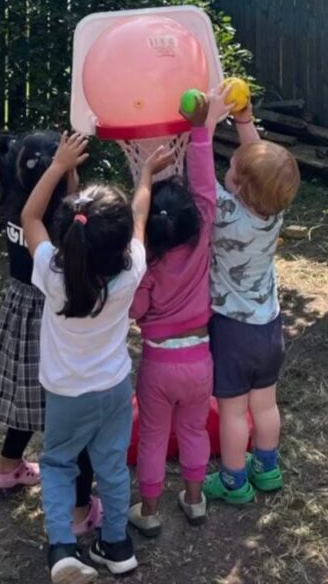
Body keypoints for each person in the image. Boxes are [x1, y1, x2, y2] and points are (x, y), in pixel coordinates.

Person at [21, 131, 172, 583]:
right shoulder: (132, 269)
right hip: (113, 389)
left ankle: (63, 549)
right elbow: (140, 212)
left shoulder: (52, 271)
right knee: (110, 464)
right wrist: (145, 173)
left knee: (58, 464)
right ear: (123, 240)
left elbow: (30, 215)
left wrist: (58, 165)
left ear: (68, 237)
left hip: (67, 394)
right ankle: (118, 546)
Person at [0, 131, 100, 538]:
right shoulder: (59, 225)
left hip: (19, 311)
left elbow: (54, 199)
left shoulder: (17, 207)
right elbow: (74, 207)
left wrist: (59, 169)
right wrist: (65, 169)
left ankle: (6, 467)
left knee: (25, 399)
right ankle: (79, 508)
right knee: (66, 415)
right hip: (49, 319)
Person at [127, 87, 231, 537]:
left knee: (152, 435)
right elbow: (206, 188)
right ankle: (194, 500)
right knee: (193, 431)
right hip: (199, 360)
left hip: (158, 361)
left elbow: (135, 309)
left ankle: (148, 511)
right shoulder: (203, 233)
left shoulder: (146, 264)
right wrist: (200, 132)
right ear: (194, 218)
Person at [203, 98, 301, 505]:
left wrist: (204, 127)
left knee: (232, 412)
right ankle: (267, 466)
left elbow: (199, 176)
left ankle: (233, 479)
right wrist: (244, 119)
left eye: (234, 170)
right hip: (270, 328)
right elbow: (259, 165)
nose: (228, 169)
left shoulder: (225, 214)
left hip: (232, 330)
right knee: (265, 405)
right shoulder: (272, 213)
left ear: (239, 187)